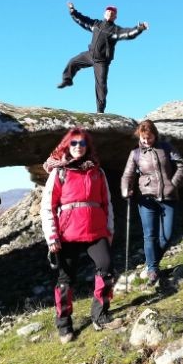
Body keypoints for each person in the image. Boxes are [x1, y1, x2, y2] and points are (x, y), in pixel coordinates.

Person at [40, 127, 122, 343]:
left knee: (106, 268)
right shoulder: (59, 172)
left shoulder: (97, 172)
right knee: (65, 280)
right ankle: (64, 324)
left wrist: (109, 230)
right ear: (67, 146)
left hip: (96, 231)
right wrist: (52, 237)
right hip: (67, 234)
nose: (78, 147)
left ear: (87, 146)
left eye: (82, 143)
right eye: (74, 143)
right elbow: (48, 206)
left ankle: (100, 315)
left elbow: (107, 203)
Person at [120, 119, 183, 285]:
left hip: (168, 196)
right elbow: (128, 175)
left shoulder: (166, 147)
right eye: (143, 138)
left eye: (149, 137)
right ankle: (152, 270)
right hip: (146, 198)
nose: (146, 141)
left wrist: (174, 183)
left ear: (155, 135)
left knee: (167, 236)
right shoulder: (135, 154)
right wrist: (125, 189)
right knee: (149, 235)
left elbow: (182, 164)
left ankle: (152, 262)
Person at [56, 2, 149, 113]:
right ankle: (67, 80)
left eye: (112, 13)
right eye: (108, 12)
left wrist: (139, 28)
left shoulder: (115, 30)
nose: (110, 13)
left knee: (101, 85)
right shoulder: (96, 24)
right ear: (104, 14)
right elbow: (82, 19)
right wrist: (72, 11)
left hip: (102, 61)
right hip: (90, 55)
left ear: (115, 17)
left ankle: (100, 110)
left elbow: (128, 33)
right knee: (73, 62)